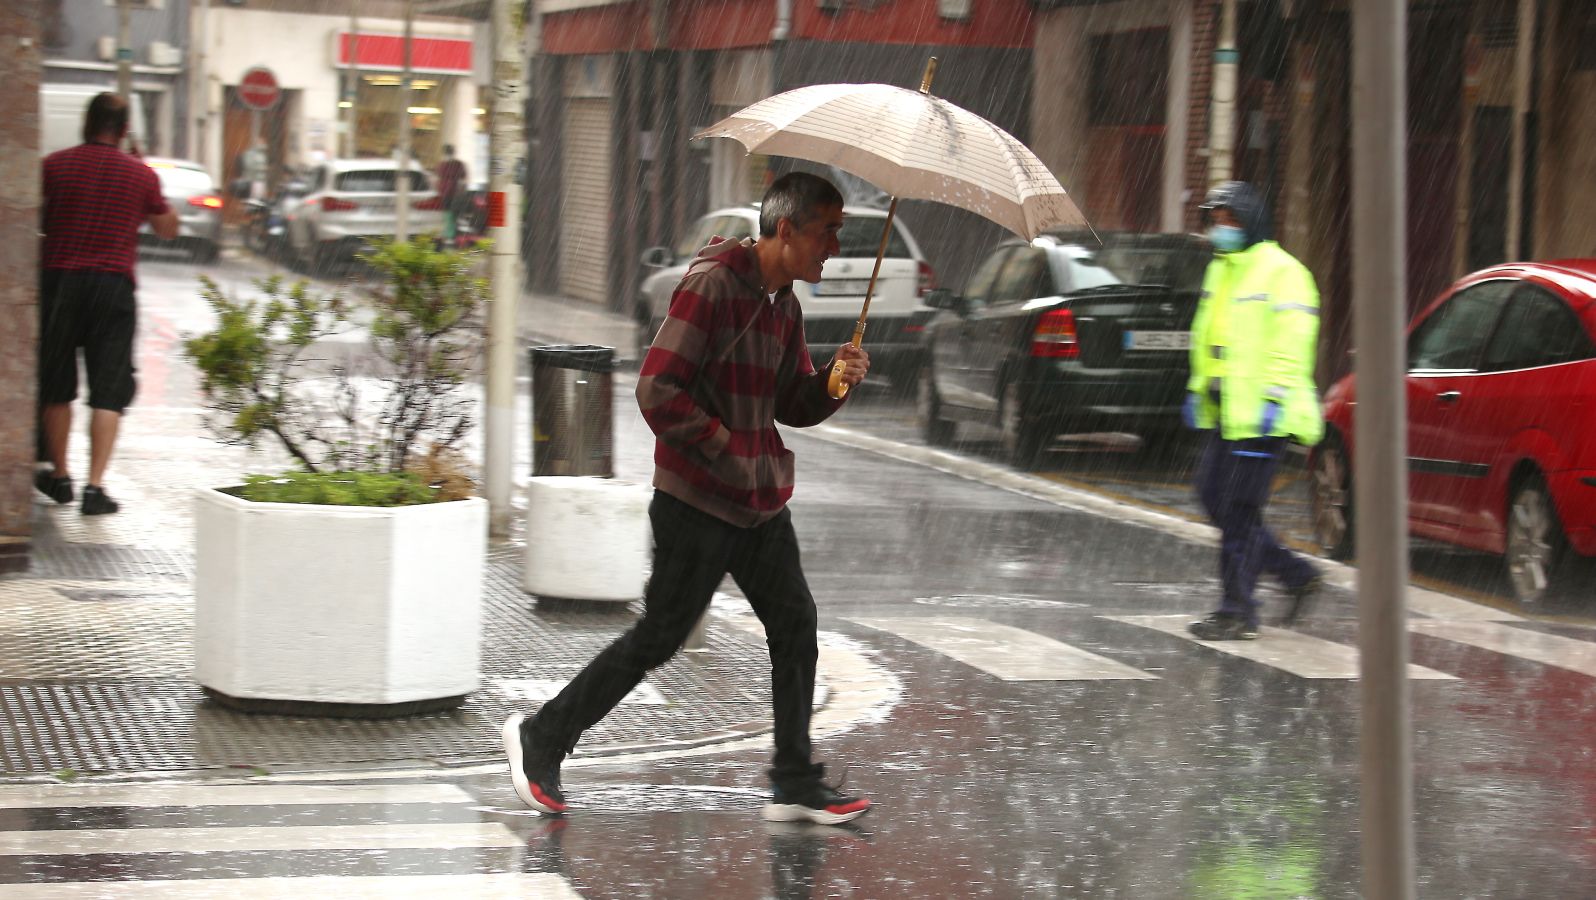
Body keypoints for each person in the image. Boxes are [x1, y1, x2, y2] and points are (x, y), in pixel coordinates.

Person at [504, 172, 872, 824]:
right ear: (786, 229)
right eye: (827, 232)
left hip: (756, 503)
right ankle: (543, 735)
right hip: (698, 500)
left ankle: (793, 779)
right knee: (660, 637)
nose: (834, 248)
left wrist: (833, 384)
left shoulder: (783, 304)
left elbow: (789, 402)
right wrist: (723, 444)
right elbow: (657, 388)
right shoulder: (711, 287)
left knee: (795, 626)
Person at [1183, 180, 1323, 640]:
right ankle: (1294, 574)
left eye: (1230, 219)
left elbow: (1292, 346)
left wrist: (1275, 399)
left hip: (1264, 417)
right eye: (1217, 220)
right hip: (1228, 412)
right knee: (1212, 495)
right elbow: (1212, 338)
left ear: (1251, 220)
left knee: (1239, 511)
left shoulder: (1284, 273)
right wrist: (1199, 388)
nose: (1221, 228)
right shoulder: (1221, 270)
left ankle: (1237, 611)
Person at [36, 92, 178, 515]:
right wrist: (141, 170)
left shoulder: (54, 165)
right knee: (108, 391)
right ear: (124, 129)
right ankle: (95, 489)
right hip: (113, 287)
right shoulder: (139, 174)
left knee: (56, 383)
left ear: (87, 123)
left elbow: (37, 217)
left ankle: (60, 476)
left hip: (60, 282)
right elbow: (168, 229)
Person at [435, 144, 468, 245]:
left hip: (447, 192)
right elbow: (463, 179)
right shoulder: (458, 164)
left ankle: (450, 235)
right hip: (453, 192)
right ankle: (452, 235)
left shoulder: (442, 165)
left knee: (449, 213)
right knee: (452, 214)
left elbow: (439, 178)